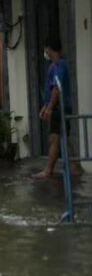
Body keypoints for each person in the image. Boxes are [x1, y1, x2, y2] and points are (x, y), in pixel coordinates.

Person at [35, 37, 83, 178]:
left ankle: (49, 169)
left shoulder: (60, 65)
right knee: (63, 137)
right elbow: (50, 90)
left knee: (54, 139)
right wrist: (45, 106)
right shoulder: (53, 66)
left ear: (49, 49)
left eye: (46, 49)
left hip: (59, 107)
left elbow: (57, 88)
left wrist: (50, 107)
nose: (45, 52)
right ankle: (75, 167)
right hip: (55, 106)